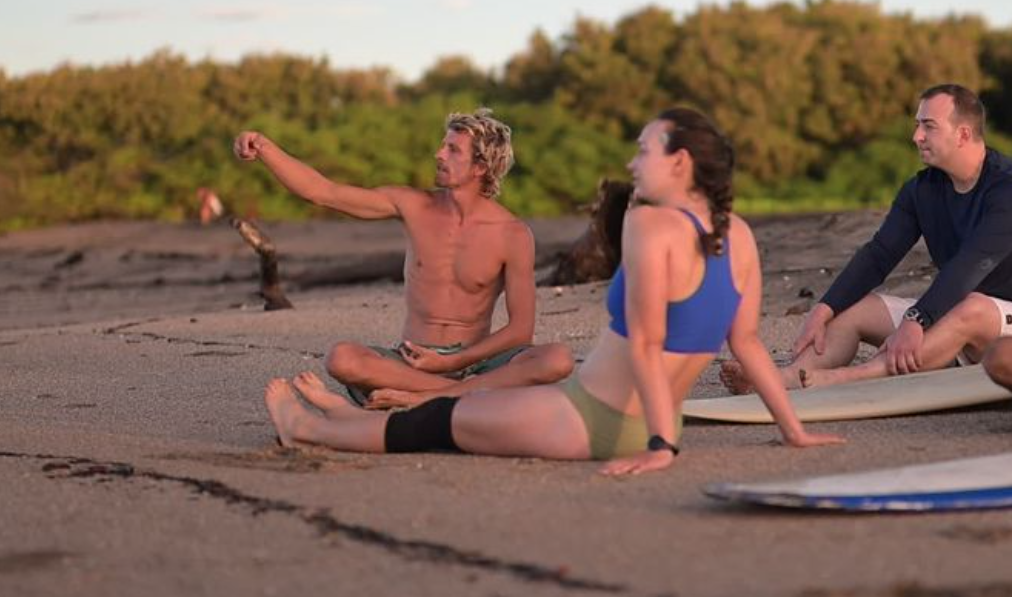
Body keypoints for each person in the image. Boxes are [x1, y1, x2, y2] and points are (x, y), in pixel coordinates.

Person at [262, 108, 843, 475]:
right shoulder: (737, 235)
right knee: (466, 408)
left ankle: (308, 428)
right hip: (632, 420)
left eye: (644, 150)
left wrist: (664, 448)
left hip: (588, 419)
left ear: (681, 162)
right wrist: (792, 430)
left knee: (436, 427)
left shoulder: (645, 223)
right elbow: (748, 343)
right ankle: (344, 410)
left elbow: (645, 343)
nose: (631, 161)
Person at [233, 108, 574, 406]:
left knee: (557, 358)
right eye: (443, 145)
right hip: (411, 362)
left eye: (453, 150)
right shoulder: (412, 205)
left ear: (481, 167)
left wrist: (453, 362)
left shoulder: (513, 234)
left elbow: (520, 331)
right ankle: (465, 395)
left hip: (477, 360)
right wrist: (263, 146)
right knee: (343, 358)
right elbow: (323, 192)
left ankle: (429, 397)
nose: (439, 154)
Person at [721, 84, 1012, 394]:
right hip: (953, 314)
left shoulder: (1005, 188)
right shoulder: (921, 190)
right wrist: (824, 309)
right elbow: (879, 254)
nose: (917, 136)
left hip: (1000, 327)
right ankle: (790, 377)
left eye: (929, 126)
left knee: (974, 306)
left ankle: (844, 380)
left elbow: (972, 263)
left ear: (963, 135)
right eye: (917, 125)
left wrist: (916, 319)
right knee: (854, 309)